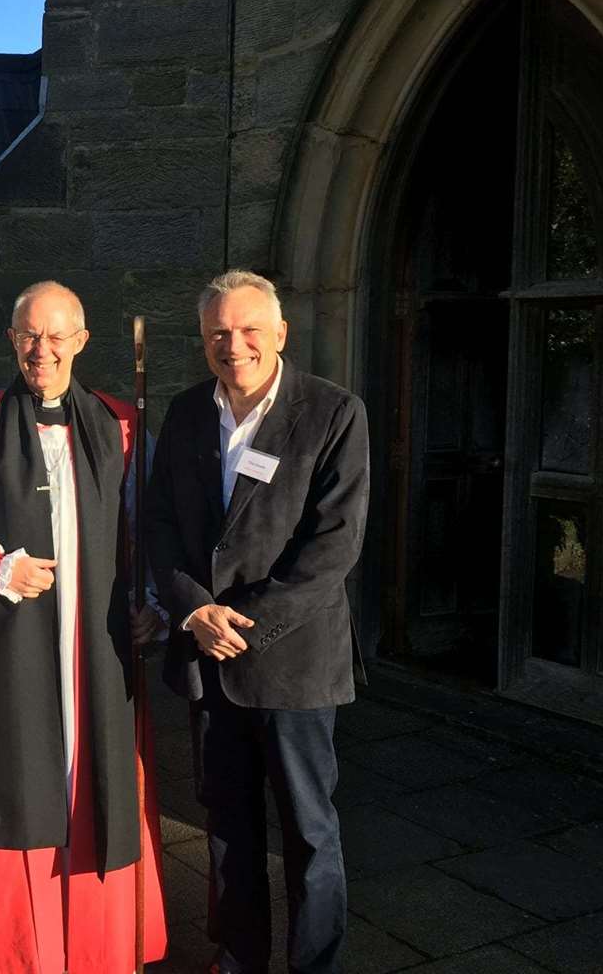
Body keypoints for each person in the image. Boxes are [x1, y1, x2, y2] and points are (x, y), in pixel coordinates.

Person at [0, 279, 167, 974]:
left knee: (96, 777)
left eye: (58, 337)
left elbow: (146, 531)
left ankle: (98, 944)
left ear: (82, 341)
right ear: (13, 340)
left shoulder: (120, 424)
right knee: (10, 775)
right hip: (9, 644)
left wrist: (151, 601)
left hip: (98, 647)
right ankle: (2, 948)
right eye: (31, 336)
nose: (43, 350)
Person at [145, 270, 370, 974]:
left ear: (279, 334)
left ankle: (315, 963)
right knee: (227, 827)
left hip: (294, 660)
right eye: (218, 332)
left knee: (307, 829)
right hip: (209, 657)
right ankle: (237, 957)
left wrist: (242, 624)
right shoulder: (185, 414)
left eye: (248, 330)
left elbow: (334, 546)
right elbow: (158, 526)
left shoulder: (333, 413)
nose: (232, 344)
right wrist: (193, 610)